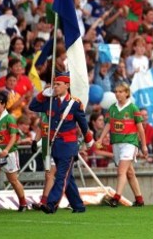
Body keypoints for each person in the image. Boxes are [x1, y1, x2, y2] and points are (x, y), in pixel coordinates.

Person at [29, 72, 94, 214]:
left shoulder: (75, 104)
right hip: (55, 145)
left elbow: (83, 124)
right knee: (67, 178)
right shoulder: (50, 102)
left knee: (61, 176)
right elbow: (32, 106)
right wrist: (43, 93)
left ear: (67, 85)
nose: (55, 87)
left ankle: (51, 204)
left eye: (58, 84)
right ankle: (78, 205)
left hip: (69, 146)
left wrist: (89, 141)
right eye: (54, 84)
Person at [97, 82, 148, 208]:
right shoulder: (112, 108)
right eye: (116, 92)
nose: (118, 94)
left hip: (129, 143)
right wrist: (101, 138)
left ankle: (116, 198)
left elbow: (140, 129)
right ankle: (139, 199)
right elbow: (108, 124)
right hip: (116, 143)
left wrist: (144, 145)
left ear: (127, 93)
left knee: (121, 171)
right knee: (129, 172)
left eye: (120, 92)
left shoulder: (133, 108)